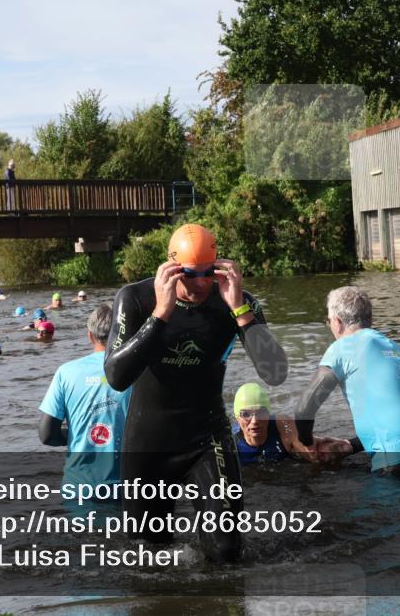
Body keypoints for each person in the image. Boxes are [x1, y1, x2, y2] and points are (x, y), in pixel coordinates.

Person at [104, 223, 288, 563]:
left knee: (227, 551)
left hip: (207, 437)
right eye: (190, 275)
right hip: (149, 443)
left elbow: (276, 373)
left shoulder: (235, 300)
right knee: (147, 556)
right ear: (172, 270)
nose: (202, 284)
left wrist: (240, 311)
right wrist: (161, 314)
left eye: (209, 273)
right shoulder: (136, 299)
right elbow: (116, 376)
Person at [293, 287, 400, 478]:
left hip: (398, 462)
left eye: (329, 321)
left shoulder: (343, 347)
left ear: (338, 322)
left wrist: (307, 443)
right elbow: (393, 418)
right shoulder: (392, 346)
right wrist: (351, 445)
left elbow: (304, 409)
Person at [39, 304, 131, 493]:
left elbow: (47, 435)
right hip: (132, 488)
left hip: (80, 487)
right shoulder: (141, 371)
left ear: (90, 335)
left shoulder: (66, 372)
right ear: (122, 333)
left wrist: (75, 435)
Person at [231, 383, 350, 465]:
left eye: (261, 412)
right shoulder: (229, 442)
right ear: (237, 417)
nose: (255, 420)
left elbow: (312, 454)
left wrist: (342, 447)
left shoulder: (283, 427)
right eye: (246, 414)